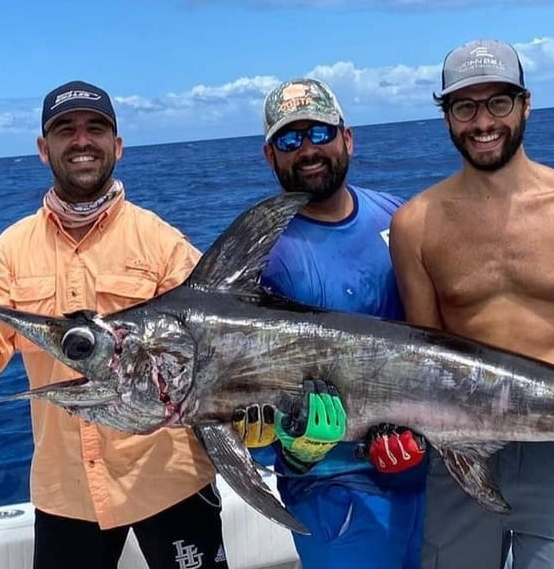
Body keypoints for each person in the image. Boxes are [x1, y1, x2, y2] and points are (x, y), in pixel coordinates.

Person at [390, 39, 554, 569]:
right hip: (460, 447)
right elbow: (426, 357)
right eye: (465, 107)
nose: (482, 122)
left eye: (498, 103)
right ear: (446, 116)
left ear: (526, 104)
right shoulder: (415, 225)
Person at [0, 81, 228, 569]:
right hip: (67, 495)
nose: (82, 141)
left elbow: (218, 352)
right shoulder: (9, 250)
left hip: (169, 482)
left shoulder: (163, 243)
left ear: (118, 146)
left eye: (96, 128)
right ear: (43, 149)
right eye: (66, 130)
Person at [233, 78, 428, 569]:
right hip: (330, 494)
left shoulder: (399, 217)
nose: (307, 150)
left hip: (426, 473)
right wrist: (291, 449)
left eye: (318, 132)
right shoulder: (260, 256)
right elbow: (246, 387)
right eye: (289, 140)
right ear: (269, 156)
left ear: (348, 137)